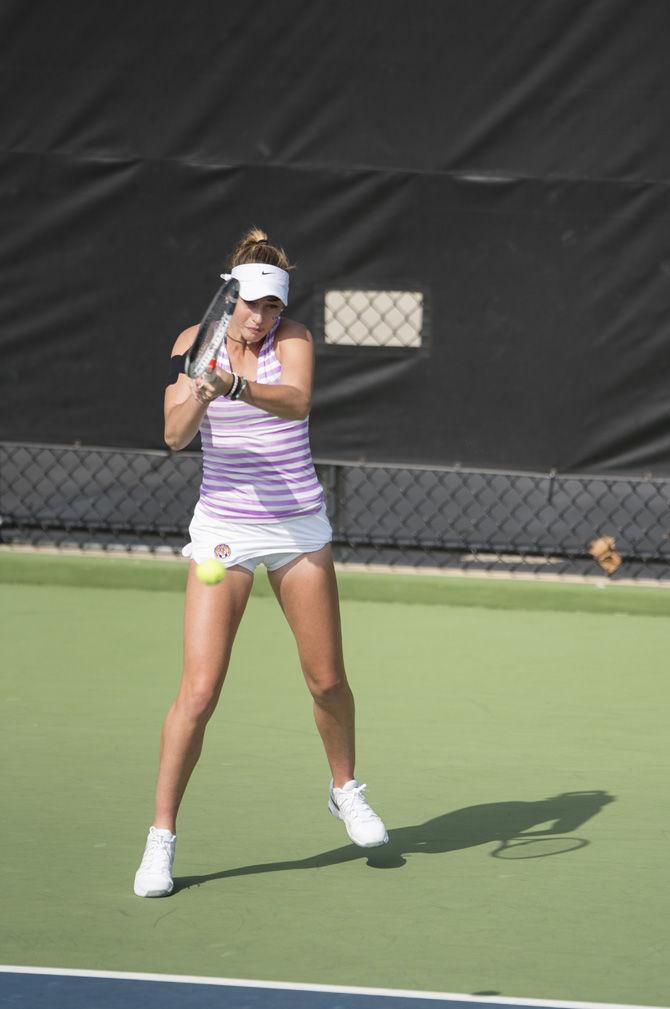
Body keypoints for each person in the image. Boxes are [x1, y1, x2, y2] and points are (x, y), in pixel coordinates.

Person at [134, 227, 388, 898]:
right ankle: (161, 838)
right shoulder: (193, 344)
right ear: (231, 297)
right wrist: (203, 388)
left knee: (328, 680)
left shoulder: (294, 341)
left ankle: (344, 789)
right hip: (224, 532)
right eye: (253, 305)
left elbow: (298, 400)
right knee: (199, 693)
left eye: (273, 307)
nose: (262, 318)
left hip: (298, 526)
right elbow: (172, 435)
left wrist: (239, 385)